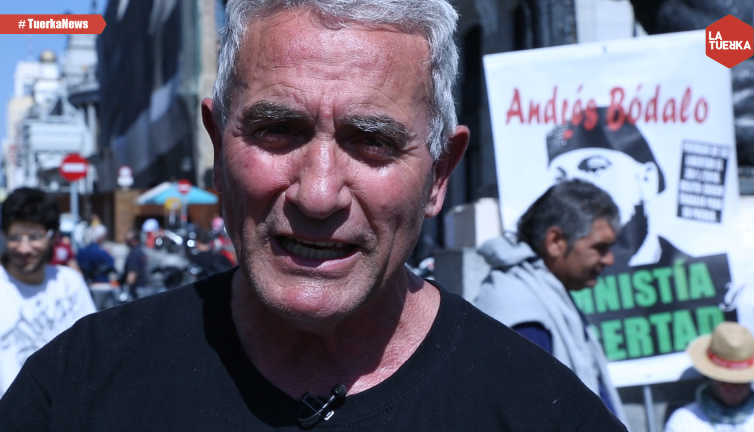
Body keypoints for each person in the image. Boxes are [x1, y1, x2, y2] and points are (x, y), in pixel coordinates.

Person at [0, 1, 626, 430]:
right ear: (218, 149)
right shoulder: (76, 391)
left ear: (439, 174)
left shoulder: (544, 412)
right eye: (277, 130)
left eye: (372, 141)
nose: (319, 194)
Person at [473, 179, 628, 425]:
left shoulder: (542, 293)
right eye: (600, 247)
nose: (609, 259)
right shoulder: (521, 311)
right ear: (555, 241)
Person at [547, 107, 688, 269]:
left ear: (647, 179)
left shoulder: (702, 274)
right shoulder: (546, 280)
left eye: (595, 168)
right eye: (561, 178)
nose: (576, 189)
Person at [0, 187, 96, 397]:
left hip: (64, 408)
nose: (24, 248)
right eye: (15, 237)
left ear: (53, 236)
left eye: (35, 236)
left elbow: (91, 350)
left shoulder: (69, 283)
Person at [664, 321, 754, 431]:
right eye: (726, 380)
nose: (734, 386)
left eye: (742, 380)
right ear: (711, 378)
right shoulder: (684, 422)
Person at [121, 229, 148, 300]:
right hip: (142, 288)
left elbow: (132, 273)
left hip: (135, 291)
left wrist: (126, 290)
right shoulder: (140, 251)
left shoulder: (134, 254)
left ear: (134, 240)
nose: (126, 240)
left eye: (128, 239)